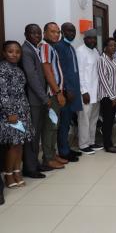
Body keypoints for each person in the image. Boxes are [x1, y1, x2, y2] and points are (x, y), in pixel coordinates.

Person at [0, 41, 34, 188]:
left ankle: (17, 171)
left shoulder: (19, 70)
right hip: (11, 113)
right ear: (4, 53)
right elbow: (2, 94)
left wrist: (25, 111)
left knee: (20, 144)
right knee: (13, 145)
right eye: (10, 51)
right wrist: (10, 112)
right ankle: (8, 175)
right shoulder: (2, 69)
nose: (14, 54)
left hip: (23, 111)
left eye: (17, 52)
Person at [21, 24, 52, 178]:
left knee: (37, 133)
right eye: (33, 33)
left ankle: (34, 163)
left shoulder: (36, 48)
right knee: (32, 134)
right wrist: (44, 98)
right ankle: (29, 168)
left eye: (39, 33)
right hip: (34, 100)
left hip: (38, 99)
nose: (37, 36)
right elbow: (32, 77)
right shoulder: (26, 51)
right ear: (26, 34)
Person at [39, 22, 67, 169]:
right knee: (50, 126)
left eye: (58, 32)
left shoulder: (51, 48)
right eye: (52, 32)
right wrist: (57, 92)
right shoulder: (45, 47)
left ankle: (53, 154)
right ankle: (48, 158)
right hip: (52, 94)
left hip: (56, 92)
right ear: (45, 33)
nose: (56, 34)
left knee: (54, 125)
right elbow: (47, 70)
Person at [54, 22, 82, 162]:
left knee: (68, 122)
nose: (72, 33)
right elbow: (61, 71)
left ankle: (66, 148)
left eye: (74, 31)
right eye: (69, 31)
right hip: (66, 93)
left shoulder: (70, 47)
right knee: (64, 122)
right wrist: (66, 89)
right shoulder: (59, 47)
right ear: (63, 32)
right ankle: (63, 152)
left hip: (73, 91)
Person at [76, 29, 103, 154]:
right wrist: (83, 91)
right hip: (86, 93)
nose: (93, 41)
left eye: (94, 39)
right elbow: (80, 73)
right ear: (84, 39)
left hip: (96, 91)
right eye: (90, 38)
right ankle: (83, 144)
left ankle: (91, 142)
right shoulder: (80, 51)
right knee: (84, 119)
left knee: (93, 119)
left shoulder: (95, 52)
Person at [98, 38, 116, 154]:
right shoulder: (102, 60)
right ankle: (108, 145)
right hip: (107, 97)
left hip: (114, 95)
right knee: (107, 121)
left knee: (111, 120)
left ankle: (110, 142)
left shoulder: (114, 60)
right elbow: (103, 80)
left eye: (115, 45)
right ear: (105, 47)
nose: (114, 47)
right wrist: (112, 97)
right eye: (111, 45)